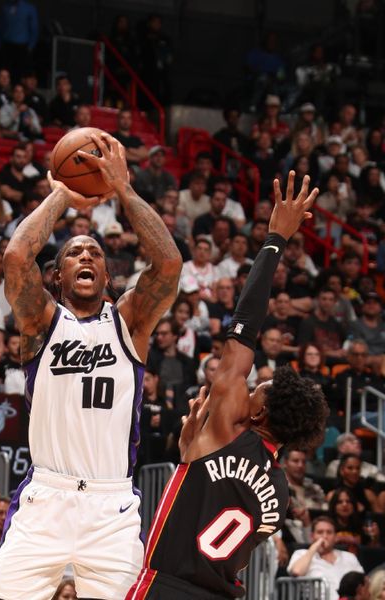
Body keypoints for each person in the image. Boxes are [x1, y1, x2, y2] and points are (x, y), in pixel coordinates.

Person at [0, 132, 181, 599]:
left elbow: (169, 265)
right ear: (57, 276)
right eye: (74, 252)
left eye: (95, 251)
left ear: (108, 276)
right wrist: (61, 195)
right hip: (46, 497)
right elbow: (15, 257)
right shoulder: (41, 321)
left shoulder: (129, 321)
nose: (87, 255)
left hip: (110, 503)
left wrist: (124, 190)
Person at [128, 172, 329, 599]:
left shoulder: (227, 431)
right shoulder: (281, 492)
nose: (251, 385)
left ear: (258, 413)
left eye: (259, 388)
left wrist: (275, 238)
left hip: (163, 585)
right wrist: (189, 460)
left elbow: (243, 332)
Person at [288, 516, 364, 600]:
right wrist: (315, 546)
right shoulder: (302, 554)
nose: (325, 536)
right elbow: (297, 571)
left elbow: (362, 584)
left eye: (329, 532)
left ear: (335, 536)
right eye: (320, 532)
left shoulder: (349, 557)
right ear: (312, 536)